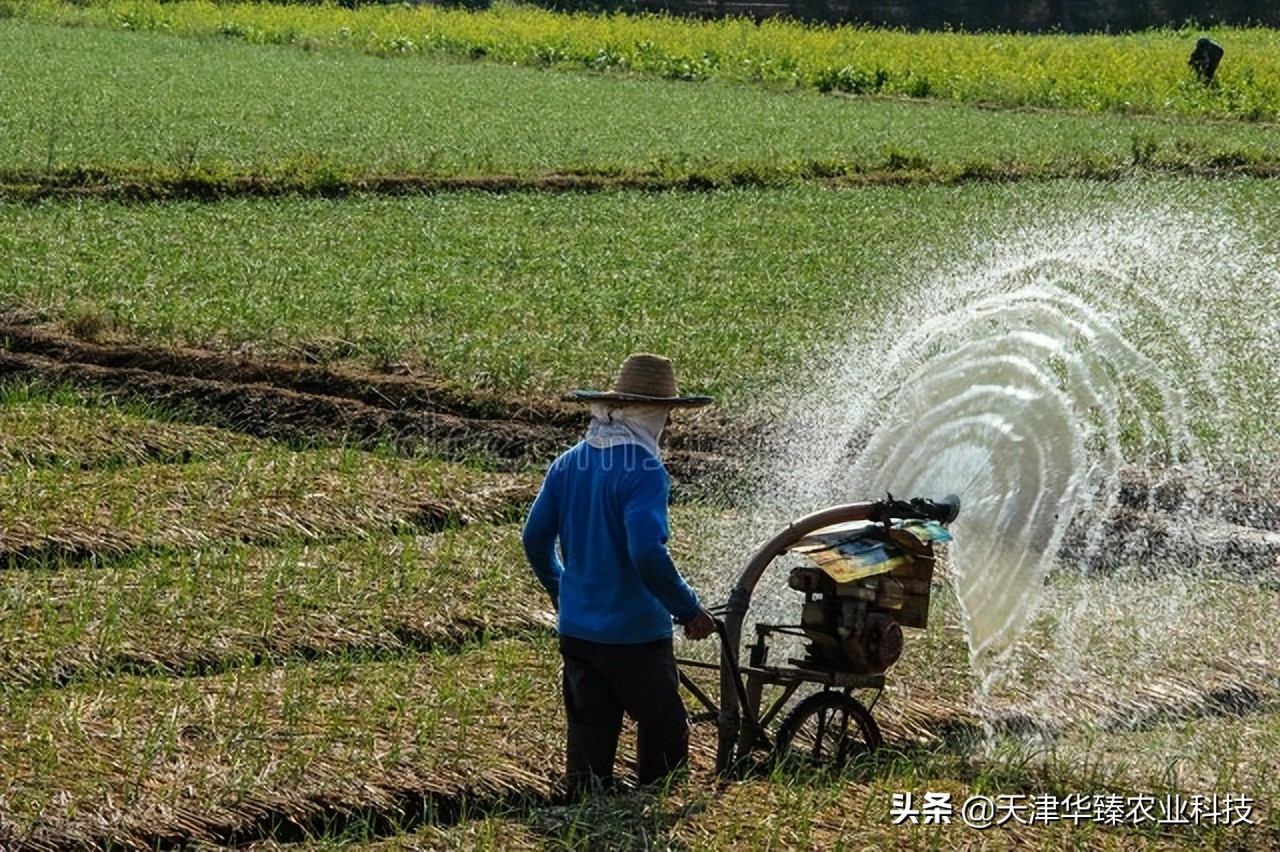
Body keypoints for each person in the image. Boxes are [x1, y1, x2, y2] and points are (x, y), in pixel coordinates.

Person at [522, 353, 718, 798]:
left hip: (577, 633)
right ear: (654, 414)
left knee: (590, 733)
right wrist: (688, 608)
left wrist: (561, 589)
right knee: (664, 726)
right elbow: (646, 552)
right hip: (634, 637)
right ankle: (655, 810)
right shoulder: (646, 471)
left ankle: (586, 817)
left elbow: (534, 540)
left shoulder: (568, 463)